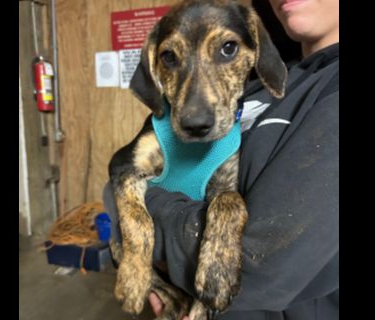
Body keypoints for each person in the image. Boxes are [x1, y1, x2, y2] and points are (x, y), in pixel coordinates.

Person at [103, 0, 339, 319]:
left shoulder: (329, 89)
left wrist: (149, 210)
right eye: (171, 57)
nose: (197, 109)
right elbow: (118, 179)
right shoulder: (260, 85)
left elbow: (260, 265)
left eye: (227, 48)